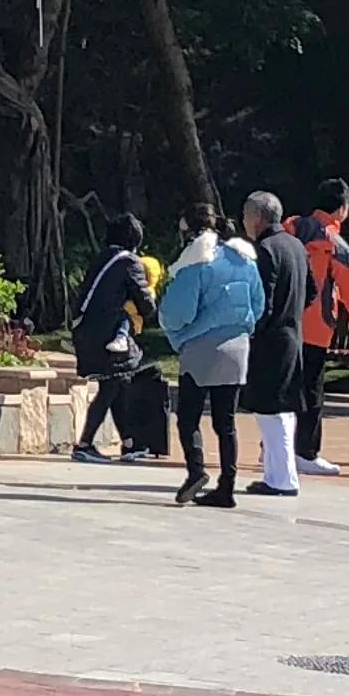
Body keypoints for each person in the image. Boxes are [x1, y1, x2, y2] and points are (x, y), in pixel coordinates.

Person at [155, 203, 265, 505]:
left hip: (202, 350)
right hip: (238, 348)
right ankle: (227, 487)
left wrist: (169, 322)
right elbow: (258, 305)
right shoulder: (244, 258)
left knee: (188, 417)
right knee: (226, 421)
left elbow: (179, 313)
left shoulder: (196, 261)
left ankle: (196, 471)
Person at [69, 213, 168, 465]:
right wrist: (152, 312)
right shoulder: (129, 262)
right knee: (114, 384)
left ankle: (129, 443)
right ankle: (84, 444)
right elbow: (144, 300)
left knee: (117, 382)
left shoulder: (103, 258)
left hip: (88, 331)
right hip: (108, 333)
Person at [288, 181, 349, 475]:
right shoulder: (335, 243)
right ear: (343, 209)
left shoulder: (290, 229)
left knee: (284, 384)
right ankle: (306, 453)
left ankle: (274, 445)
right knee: (311, 390)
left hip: (284, 321)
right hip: (316, 327)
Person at [242, 191, 311, 495]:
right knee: (281, 408)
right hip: (292, 334)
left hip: (270, 339)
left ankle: (282, 479)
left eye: (245, 216)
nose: (244, 223)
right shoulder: (296, 246)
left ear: (257, 217)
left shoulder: (265, 250)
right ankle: (276, 474)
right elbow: (311, 292)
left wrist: (252, 329)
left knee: (271, 410)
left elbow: (261, 302)